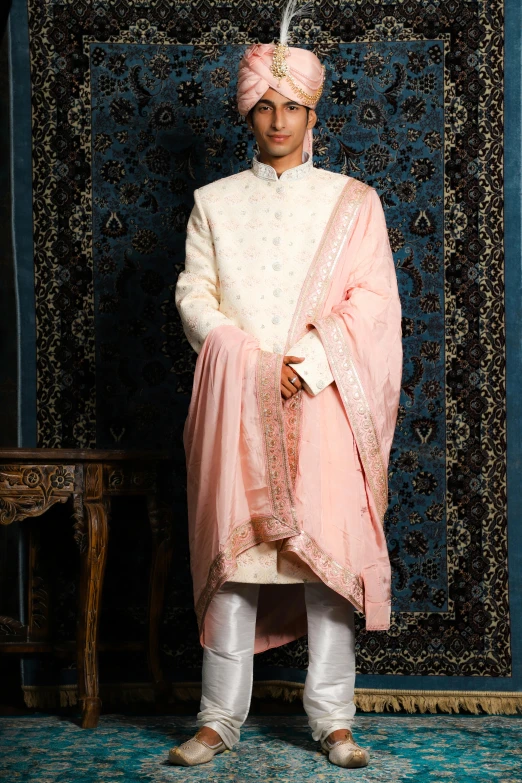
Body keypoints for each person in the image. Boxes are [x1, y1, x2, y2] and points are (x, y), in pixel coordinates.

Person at [170, 1, 403, 769]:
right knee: (235, 564)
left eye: (292, 107)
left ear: (313, 111)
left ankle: (334, 720)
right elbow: (194, 294)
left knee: (325, 564)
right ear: (248, 112)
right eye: (264, 106)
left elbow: (371, 301)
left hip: (324, 400)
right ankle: (217, 720)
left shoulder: (353, 202)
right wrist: (241, 354)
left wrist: (307, 362)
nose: (278, 120)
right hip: (238, 401)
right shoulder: (214, 204)